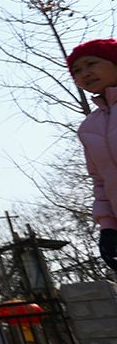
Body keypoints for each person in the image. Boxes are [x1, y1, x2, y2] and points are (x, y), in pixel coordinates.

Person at [68, 38, 117, 275]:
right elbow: (100, 182)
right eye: (77, 71)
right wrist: (108, 227)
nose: (84, 73)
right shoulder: (89, 127)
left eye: (91, 64)